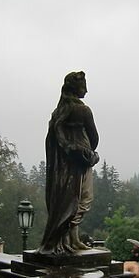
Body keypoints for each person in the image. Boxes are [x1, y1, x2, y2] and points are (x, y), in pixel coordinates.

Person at [38, 71, 99, 255]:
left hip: (62, 168)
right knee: (84, 199)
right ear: (77, 88)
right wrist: (86, 152)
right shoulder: (83, 110)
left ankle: (71, 238)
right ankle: (71, 236)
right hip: (81, 162)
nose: (86, 90)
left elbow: (53, 142)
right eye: (84, 86)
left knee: (68, 201)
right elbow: (94, 138)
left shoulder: (58, 113)